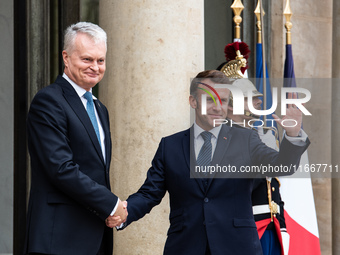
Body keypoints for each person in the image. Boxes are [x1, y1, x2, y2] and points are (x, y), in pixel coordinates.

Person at [107, 70, 310, 254]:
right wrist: (125, 211)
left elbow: (281, 166)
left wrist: (292, 136)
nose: (216, 107)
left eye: (222, 100)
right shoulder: (170, 146)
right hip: (185, 247)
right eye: (209, 100)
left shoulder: (246, 139)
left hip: (237, 247)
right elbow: (149, 193)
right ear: (193, 101)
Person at [24, 22, 127, 255]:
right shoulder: (48, 101)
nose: (95, 67)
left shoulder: (100, 109)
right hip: (59, 239)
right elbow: (61, 168)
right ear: (66, 57)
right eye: (87, 59)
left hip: (95, 237)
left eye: (100, 61)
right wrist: (112, 204)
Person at [225, 78, 288, 255]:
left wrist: (281, 226)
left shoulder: (265, 134)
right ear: (230, 105)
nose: (259, 102)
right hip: (244, 229)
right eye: (250, 98)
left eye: (257, 97)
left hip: (272, 226)